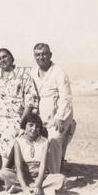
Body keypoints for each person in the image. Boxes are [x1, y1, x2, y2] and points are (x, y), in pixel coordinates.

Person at [0, 48, 39, 176]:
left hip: (16, 118)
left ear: (12, 58)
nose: (2, 60)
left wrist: (22, 122)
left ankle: (1, 173)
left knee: (8, 138)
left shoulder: (23, 75)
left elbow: (30, 100)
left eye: (5, 56)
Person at [31, 43, 76, 173]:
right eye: (38, 55)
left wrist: (61, 118)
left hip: (58, 116)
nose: (41, 57)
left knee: (54, 140)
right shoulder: (33, 72)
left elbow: (66, 97)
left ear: (50, 55)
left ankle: (54, 173)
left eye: (44, 54)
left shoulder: (58, 72)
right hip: (40, 116)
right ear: (34, 56)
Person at [0, 114, 65, 195]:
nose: (34, 129)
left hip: (41, 177)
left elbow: (43, 165)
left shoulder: (44, 142)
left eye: (37, 126)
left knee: (61, 179)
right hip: (24, 176)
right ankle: (28, 188)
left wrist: (38, 184)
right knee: (3, 173)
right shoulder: (18, 141)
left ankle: (20, 188)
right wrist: (24, 186)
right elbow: (18, 167)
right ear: (24, 126)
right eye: (31, 125)